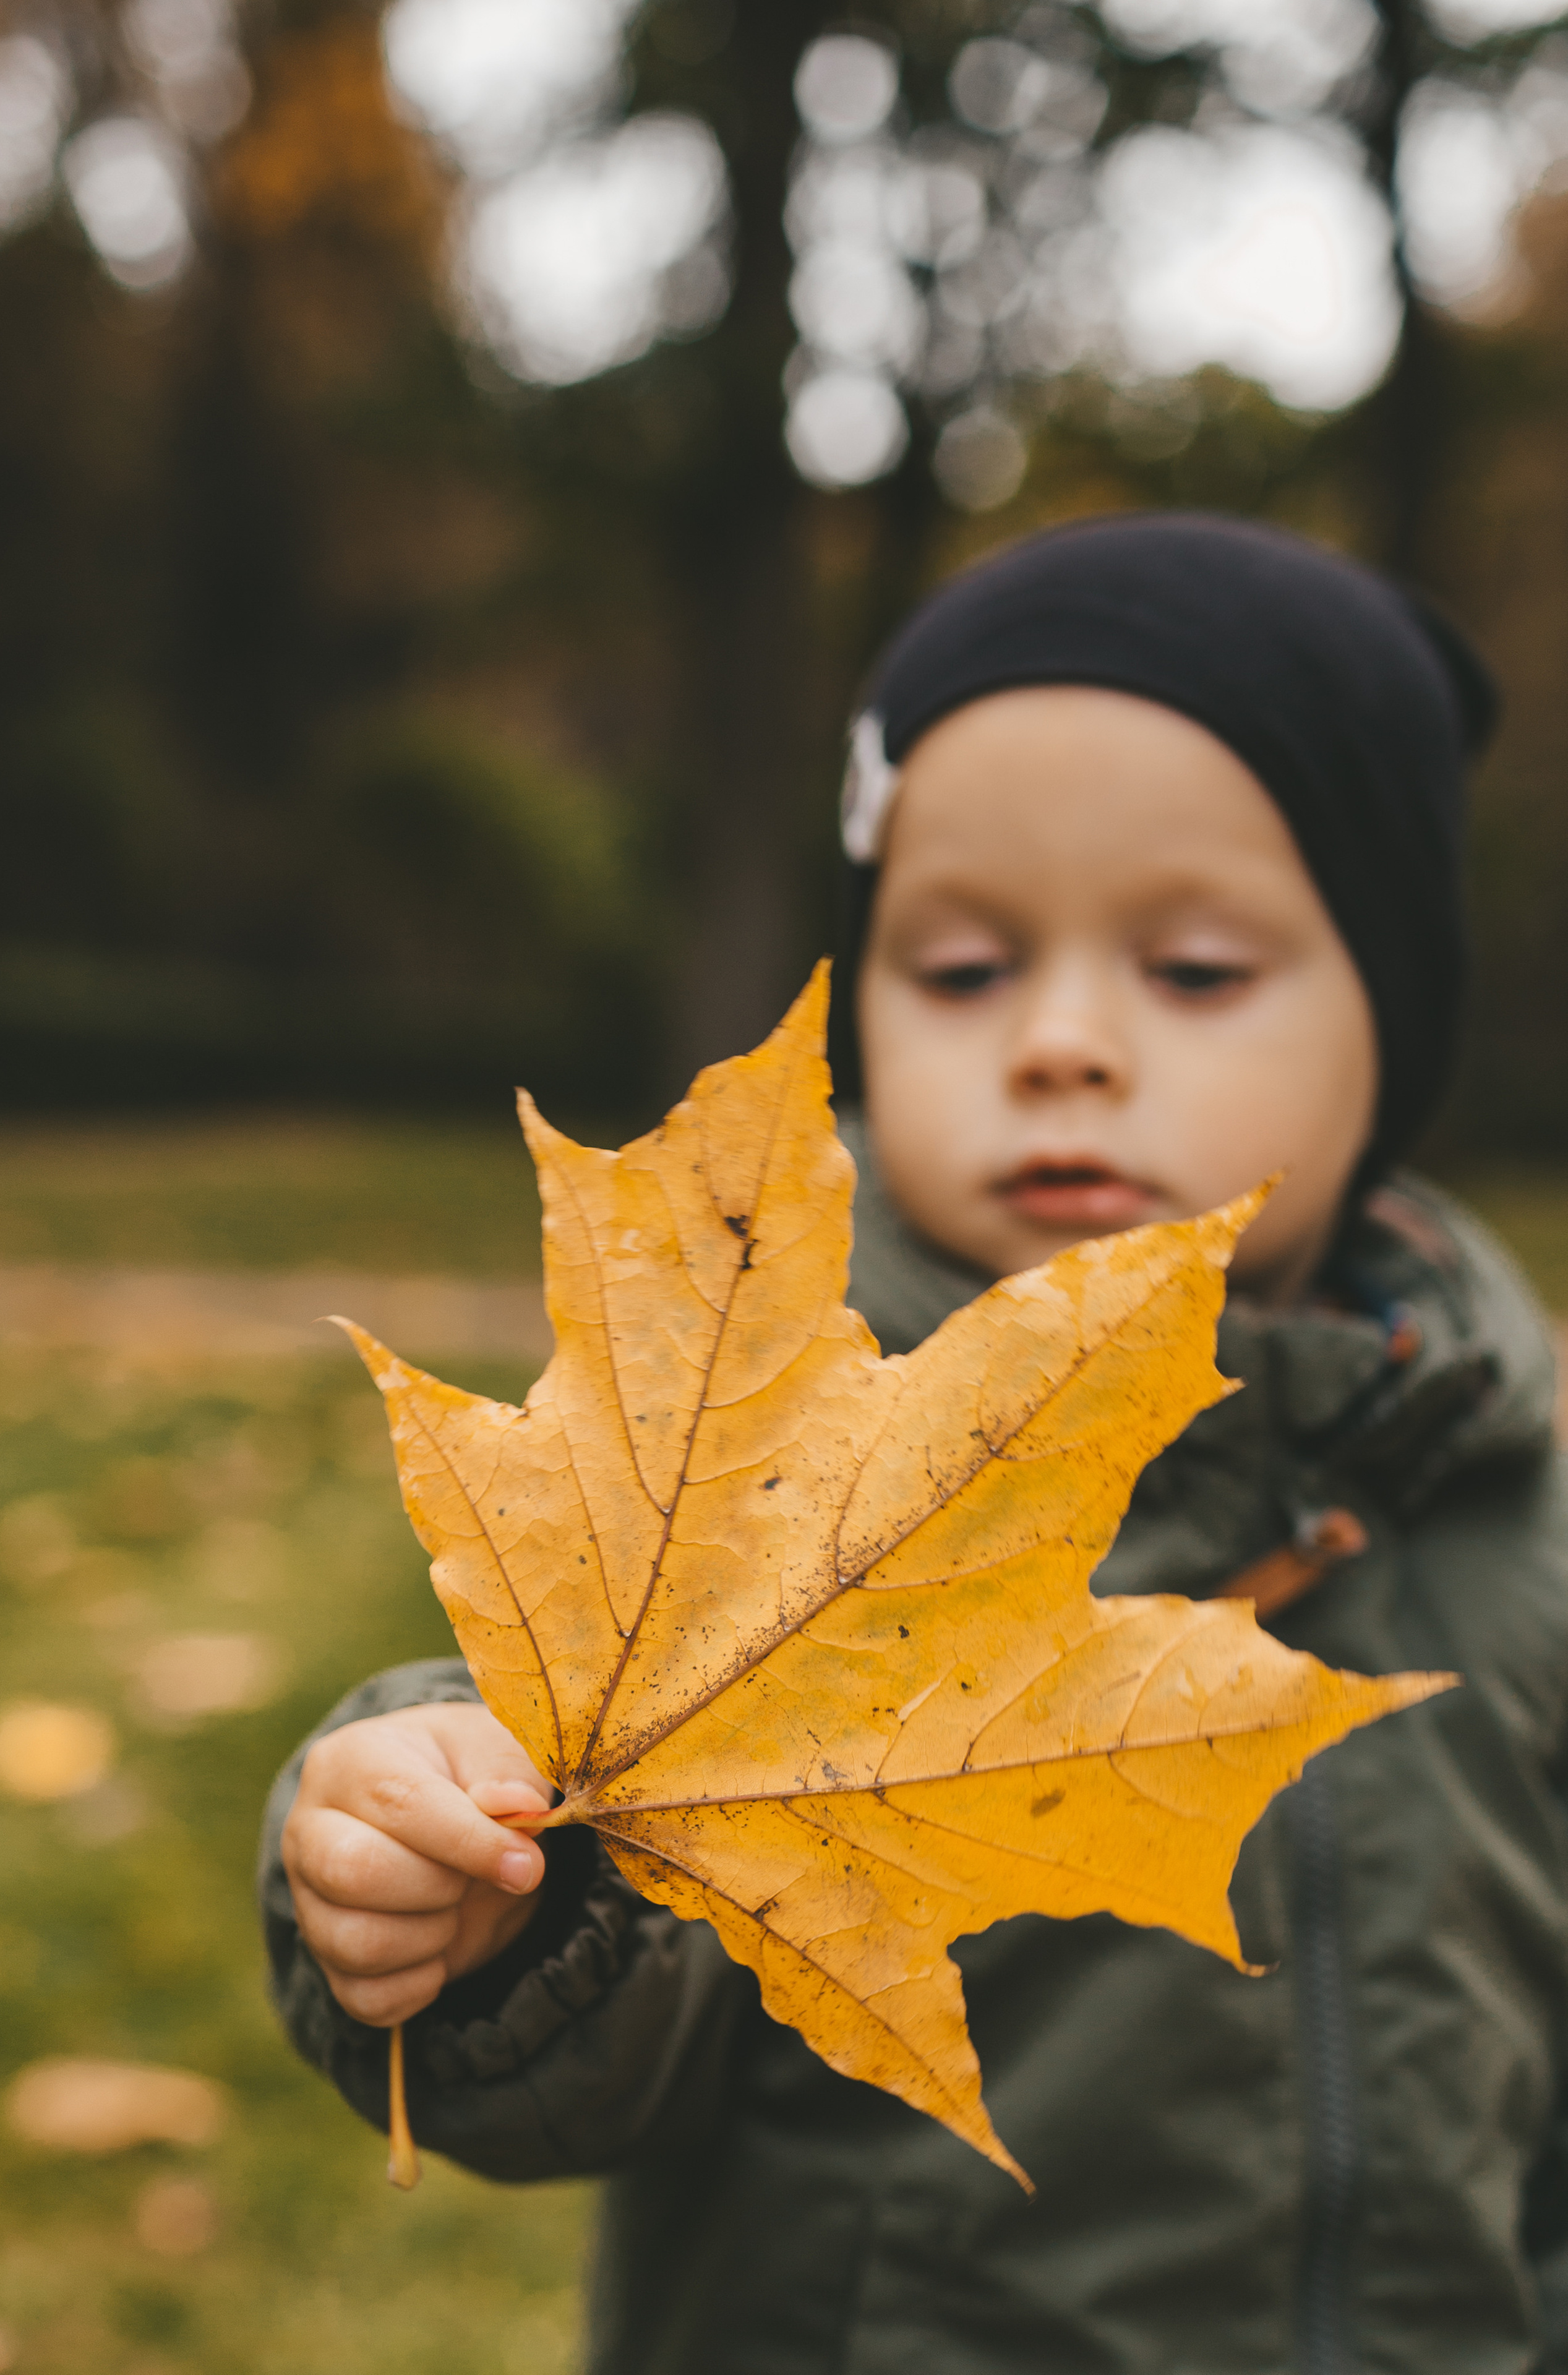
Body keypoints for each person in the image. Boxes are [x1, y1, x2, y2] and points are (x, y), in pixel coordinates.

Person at [260, 513, 1568, 2375]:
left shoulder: (1526, 1524)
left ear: (1396, 1025)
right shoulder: (767, 1457)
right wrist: (472, 1907)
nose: (1058, 1043)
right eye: (960, 968)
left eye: (1193, 969)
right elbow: (583, 1940)